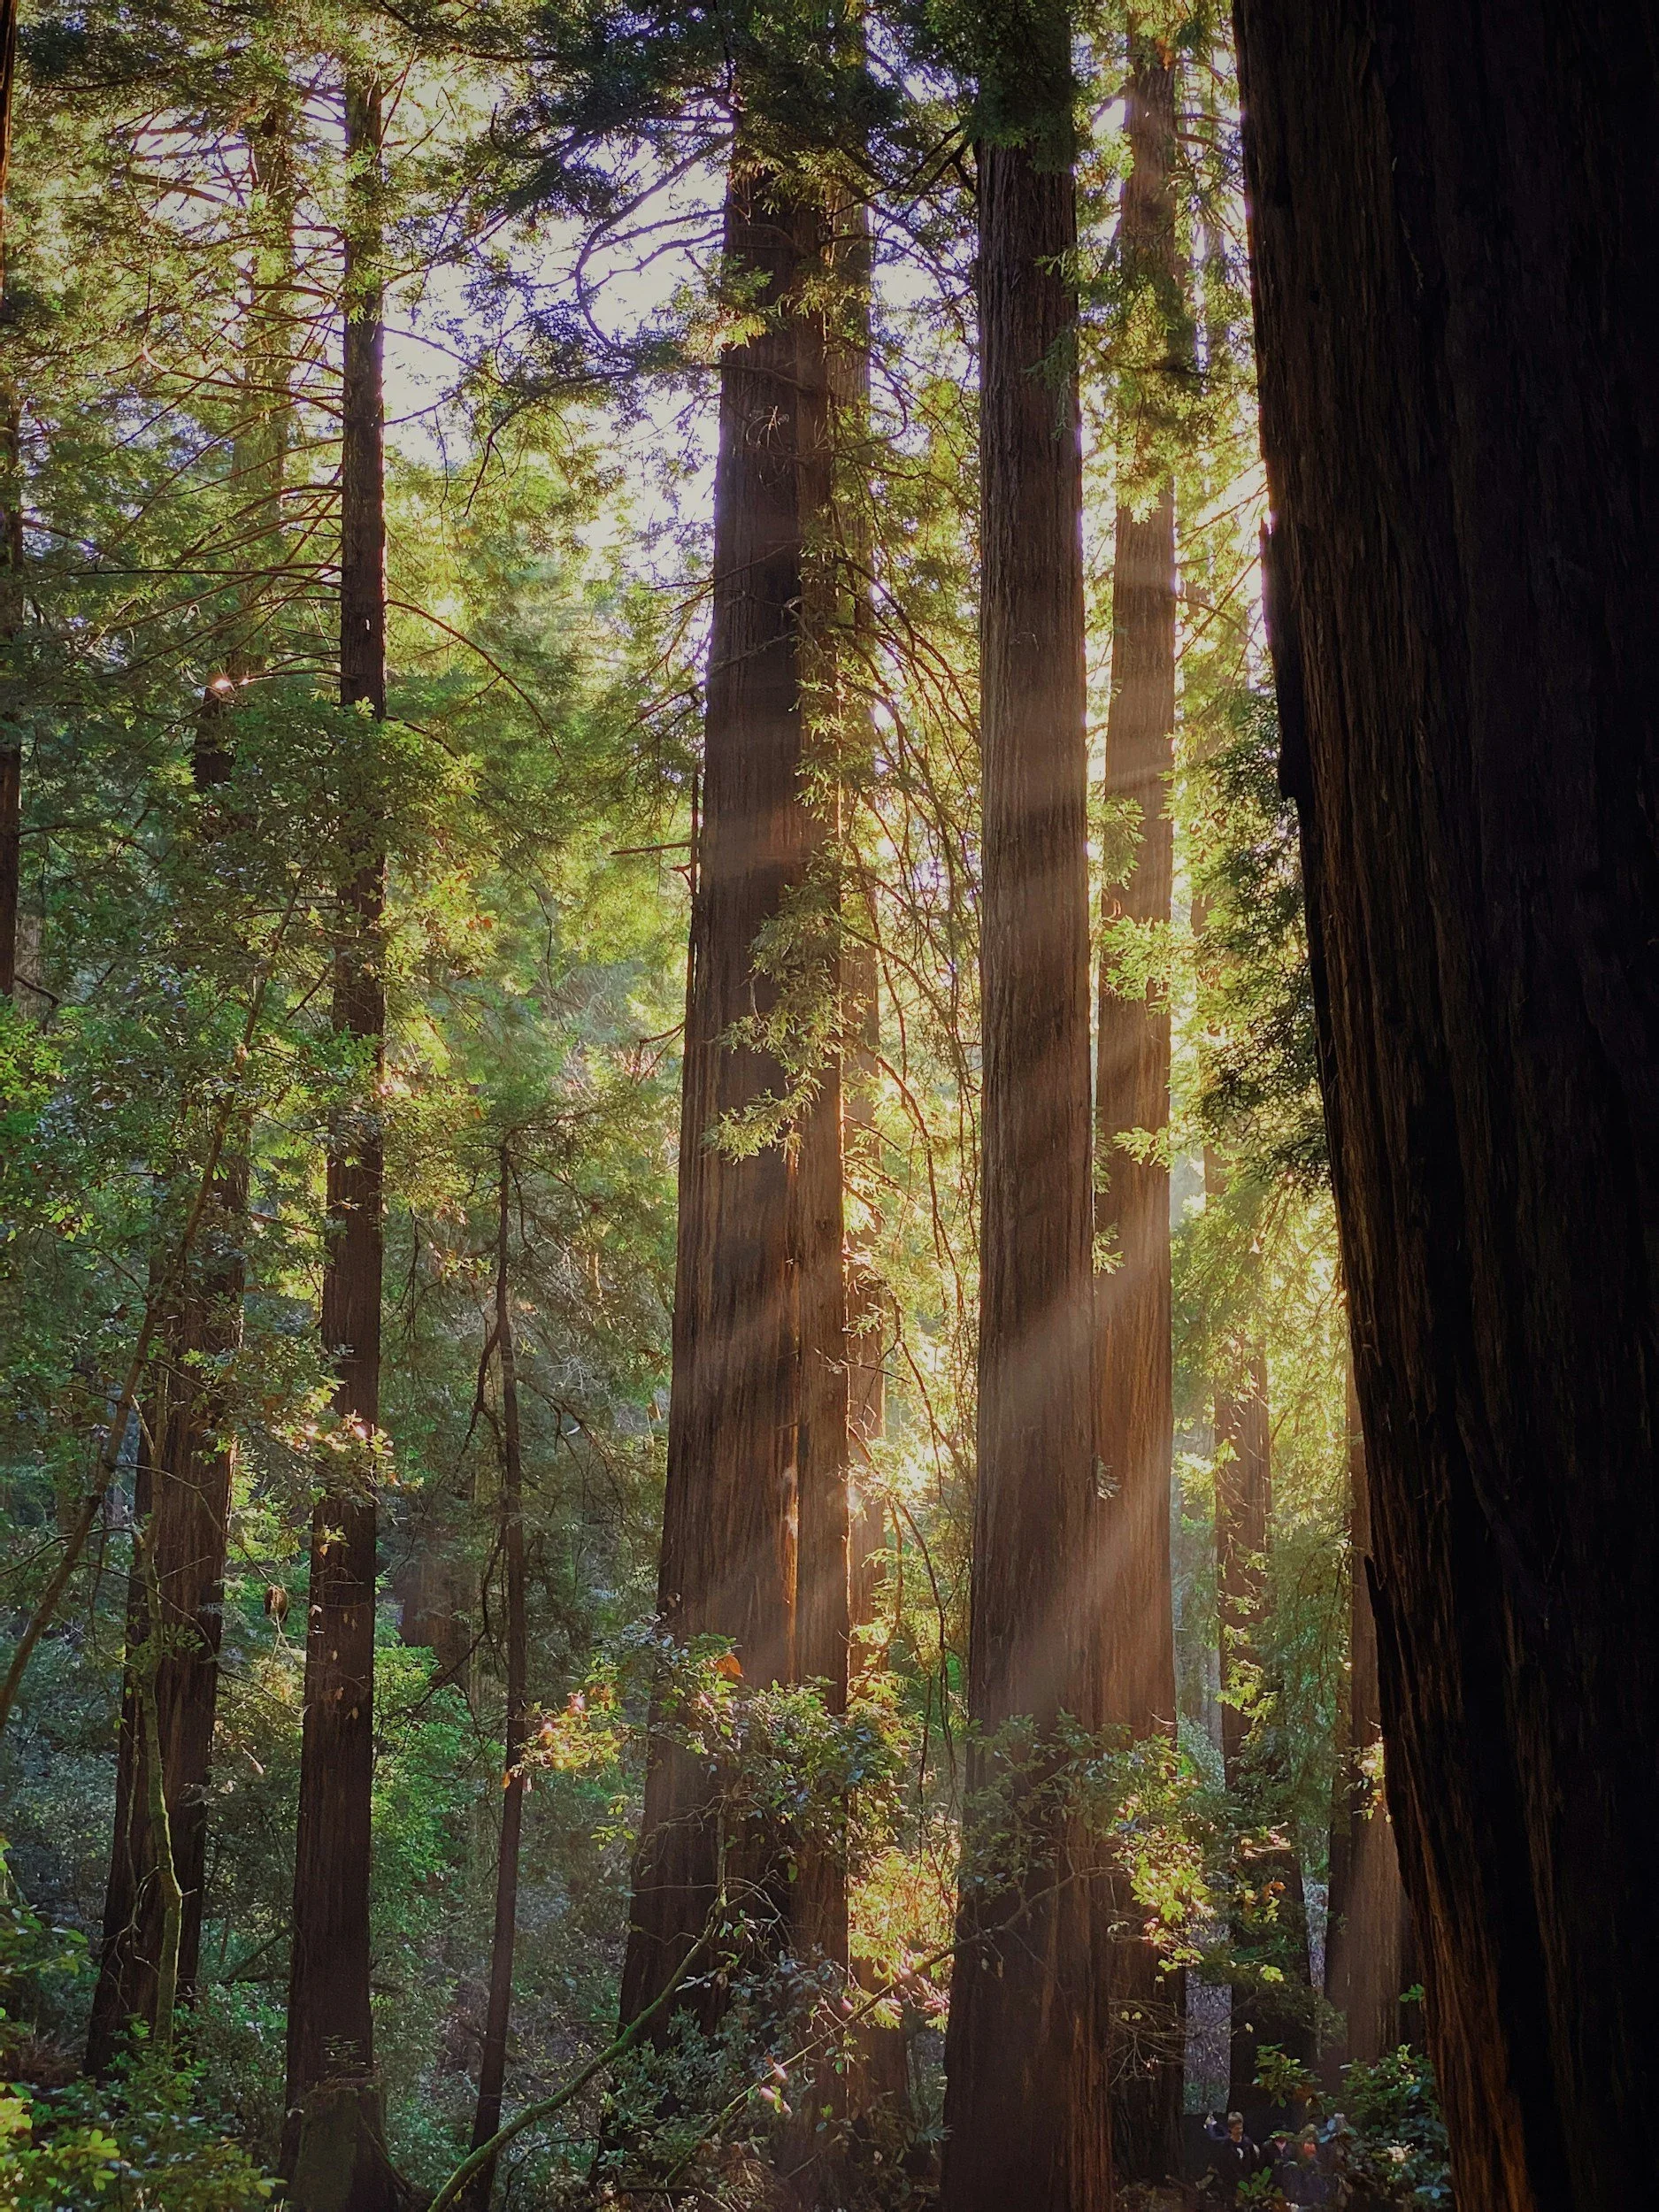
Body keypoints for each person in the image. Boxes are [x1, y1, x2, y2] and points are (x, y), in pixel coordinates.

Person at [1204, 2110, 1263, 2205]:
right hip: (1232, 2181)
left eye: (1241, 2128)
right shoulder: (1225, 2145)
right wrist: (1210, 2126)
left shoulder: (1247, 2143)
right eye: (1236, 2129)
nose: (1239, 2131)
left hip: (1247, 2179)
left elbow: (1254, 2162)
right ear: (1231, 2129)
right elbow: (1214, 2139)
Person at [1279, 2131, 1333, 2207]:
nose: (1311, 2146)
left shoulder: (1315, 2164)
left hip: (1314, 2197)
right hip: (1300, 2198)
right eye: (1308, 2142)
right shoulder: (1292, 2157)